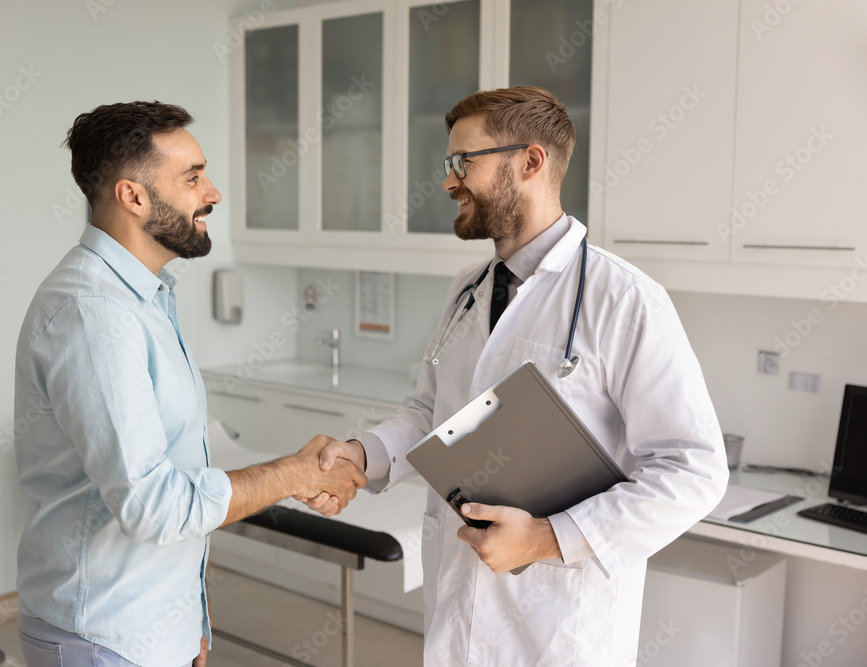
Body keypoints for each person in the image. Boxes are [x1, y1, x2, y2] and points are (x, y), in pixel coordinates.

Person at [302, 87, 729, 665]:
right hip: (458, 605)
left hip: (561, 626)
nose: (449, 181)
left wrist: (545, 539)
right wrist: (364, 454)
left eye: (464, 162)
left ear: (531, 161)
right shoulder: (468, 288)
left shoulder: (624, 299)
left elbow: (693, 469)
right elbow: (436, 415)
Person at [13, 101, 366, 667]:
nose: (214, 193)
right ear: (133, 196)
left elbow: (170, 475)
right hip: (103, 638)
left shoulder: (145, 296)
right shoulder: (93, 313)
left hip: (149, 630)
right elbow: (153, 506)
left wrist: (185, 626)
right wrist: (293, 475)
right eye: (193, 177)